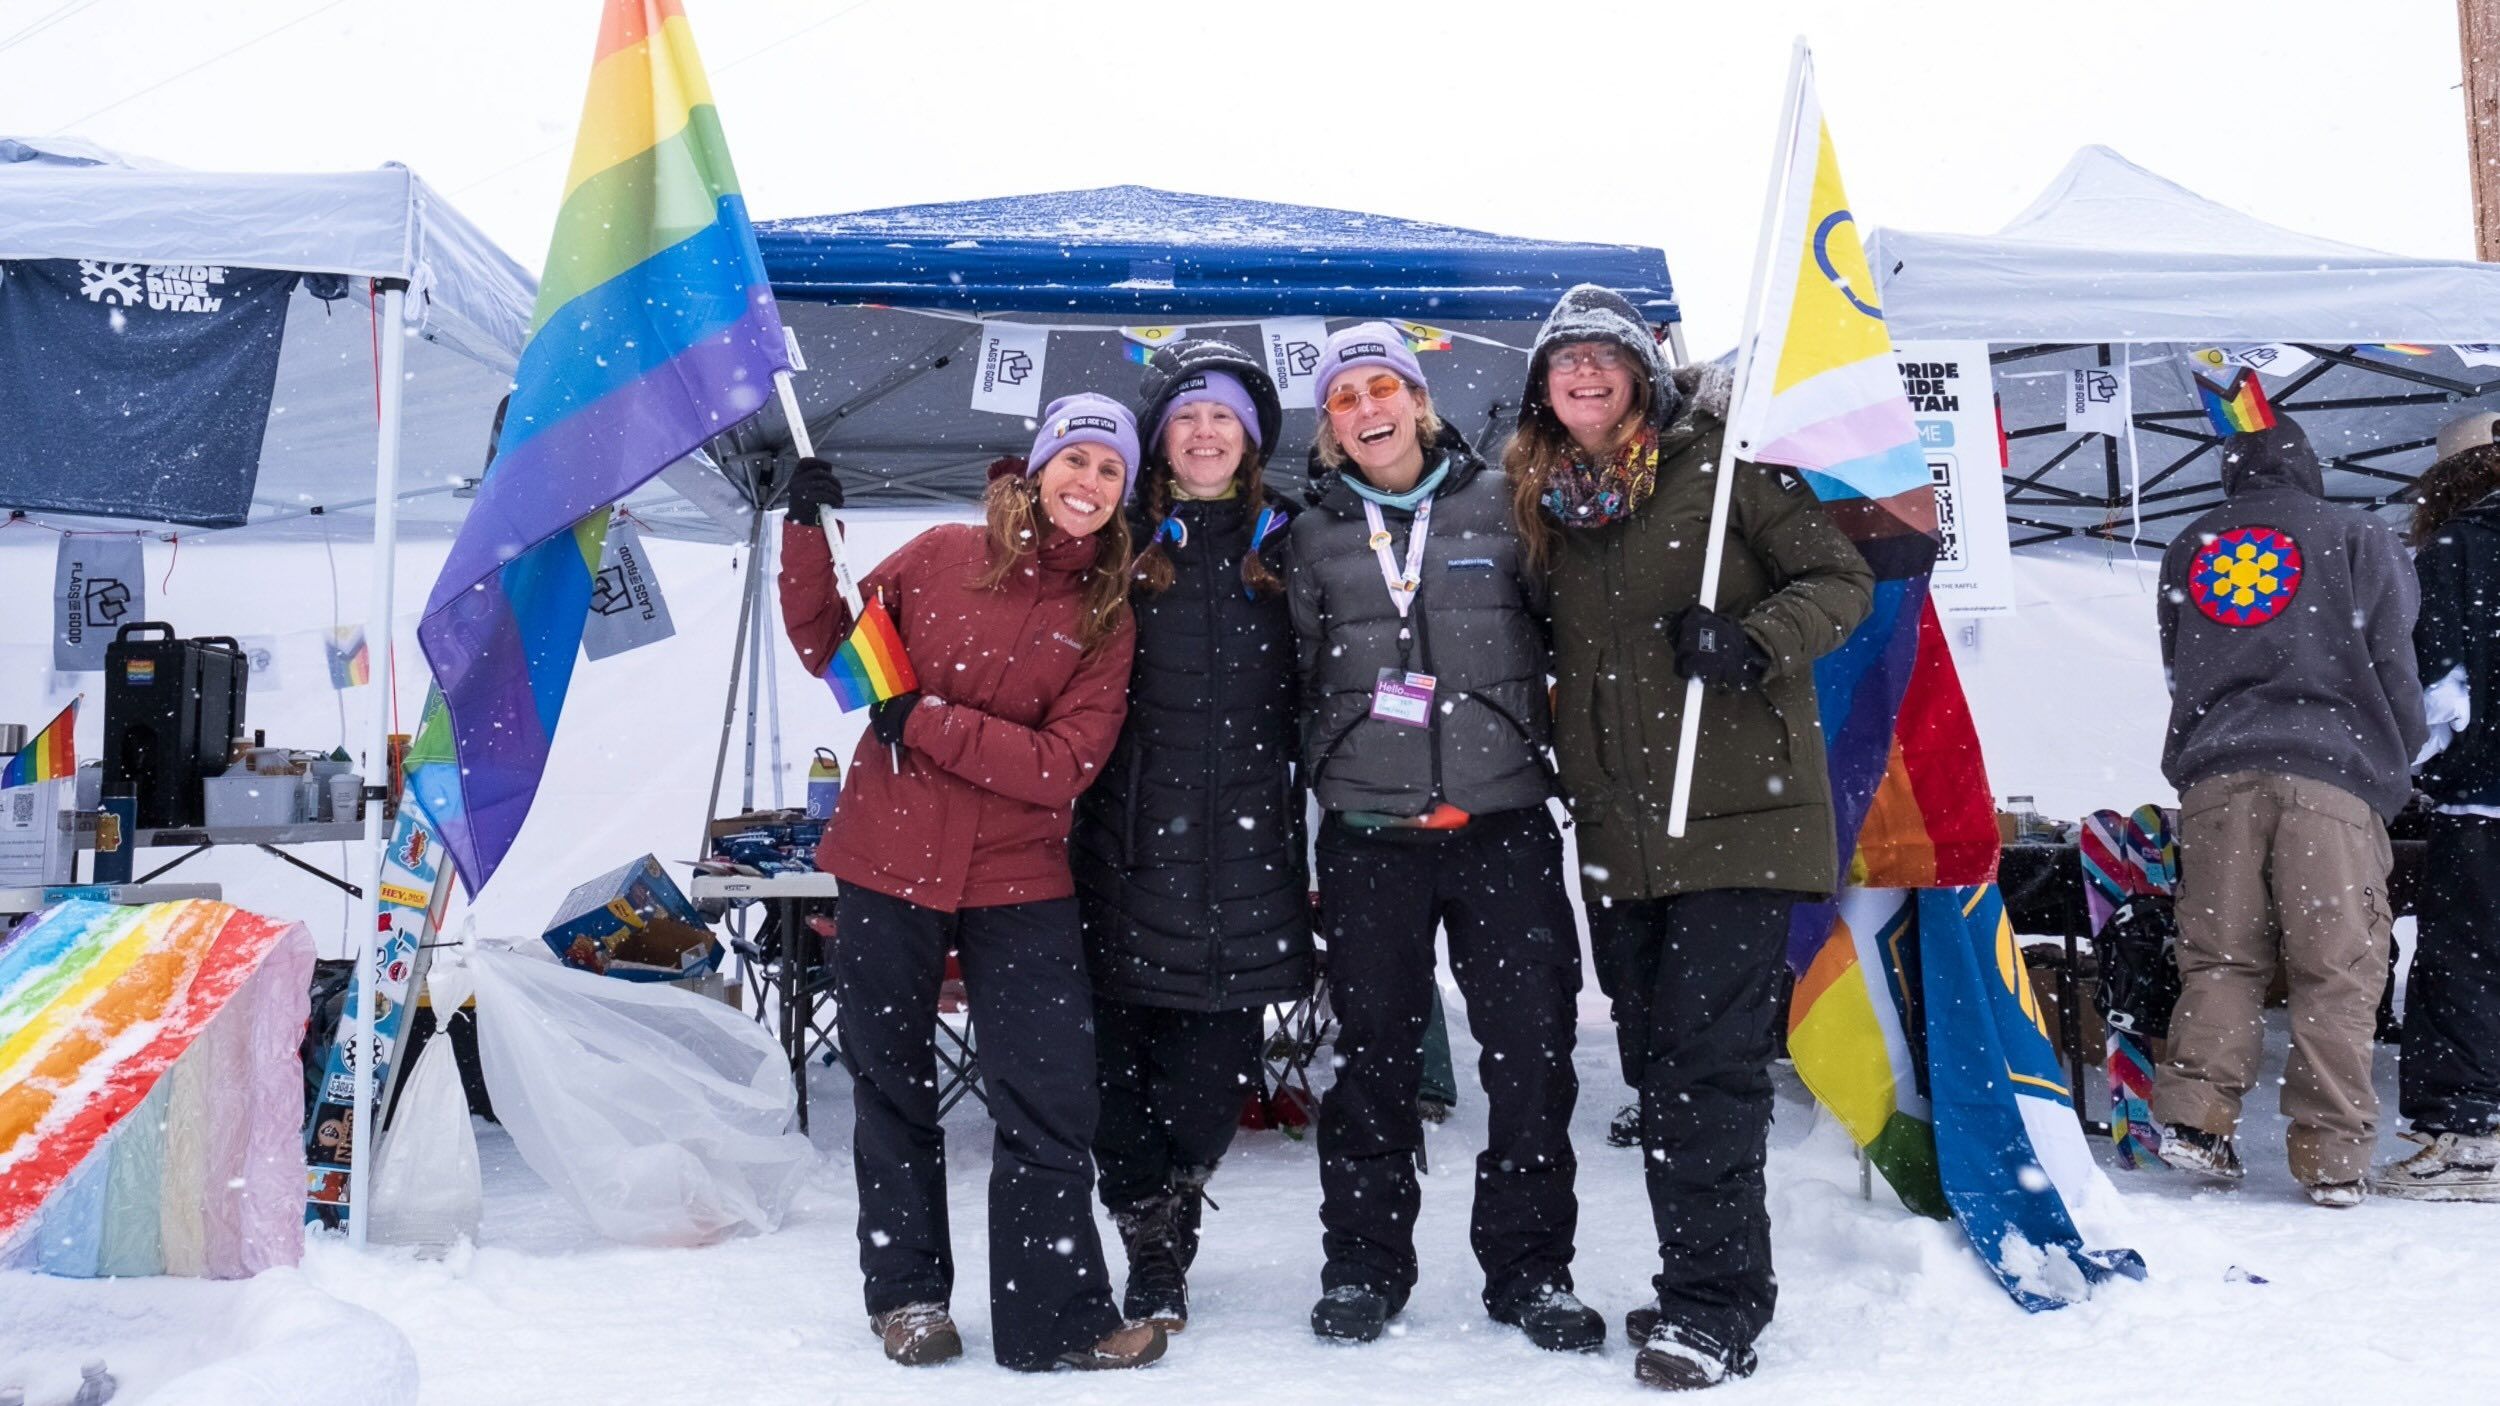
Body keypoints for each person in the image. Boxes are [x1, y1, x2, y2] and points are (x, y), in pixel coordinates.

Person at [1506, 285, 1871, 1391]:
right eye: (1563, 359)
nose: (1582, 373)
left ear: (1639, 373)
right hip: (1621, 832)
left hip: (1740, 820)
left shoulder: (1722, 466)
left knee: (1706, 1072)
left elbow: (1841, 578)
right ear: (1543, 386)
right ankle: (1699, 1281)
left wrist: (1755, 638)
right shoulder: (1545, 503)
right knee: (1656, 1070)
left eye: (1602, 355)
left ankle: (1715, 1309)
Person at [777, 396, 1167, 1372]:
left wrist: (926, 720)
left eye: (1109, 469)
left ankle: (1054, 1319)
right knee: (890, 1086)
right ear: (1039, 468)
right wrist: (803, 536)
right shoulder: (941, 553)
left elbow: (1062, 764)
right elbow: (836, 650)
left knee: (1049, 1096)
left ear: (1123, 492)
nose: (1088, 481)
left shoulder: (1106, 614)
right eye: (1075, 459)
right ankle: (907, 1298)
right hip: (887, 860)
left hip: (1019, 878)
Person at [1286, 322, 1596, 1353]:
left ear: (1418, 401)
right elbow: (1295, 673)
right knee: (1371, 1059)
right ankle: (1363, 1265)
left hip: (1500, 826)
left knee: (1531, 1055)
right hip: (1370, 834)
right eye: (1344, 398)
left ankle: (1531, 1268)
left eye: (1383, 387)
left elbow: (1568, 631)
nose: (1367, 409)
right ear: (1329, 428)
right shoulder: (1311, 532)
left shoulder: (1506, 503)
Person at [1069, 339, 1311, 1331]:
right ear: (1160, 437)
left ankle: (1173, 1210)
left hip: (1248, 858)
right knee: (1113, 1075)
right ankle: (1149, 1240)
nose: (1205, 432)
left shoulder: (1295, 540)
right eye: (1186, 416)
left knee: (1212, 1084)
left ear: (1250, 439)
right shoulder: (1115, 543)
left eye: (1224, 417)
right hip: (1122, 851)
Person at [2148, 416, 2426, 1208]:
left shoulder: (2191, 545)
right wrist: (2393, 758)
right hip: (2333, 778)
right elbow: (2395, 664)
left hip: (2217, 777)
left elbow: (2178, 668)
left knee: (2221, 957)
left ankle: (2198, 1121)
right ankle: (2332, 1158)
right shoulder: (2359, 536)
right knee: (2336, 967)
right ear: (2309, 467)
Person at [2375, 417, 2500, 1201]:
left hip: (2485, 797)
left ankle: (2468, 1140)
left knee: (2467, 963)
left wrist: (2410, 769)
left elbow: (2436, 697)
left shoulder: (2457, 548)